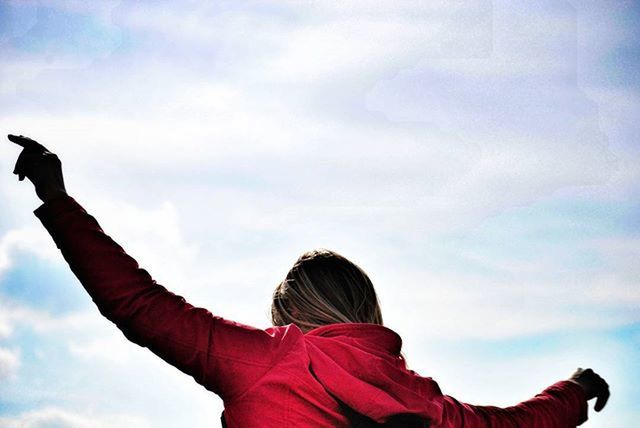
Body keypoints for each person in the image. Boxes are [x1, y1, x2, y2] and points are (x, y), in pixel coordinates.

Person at [7, 134, 610, 427]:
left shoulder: (264, 359)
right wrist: (577, 390)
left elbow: (136, 302)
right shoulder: (428, 403)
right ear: (368, 311)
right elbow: (516, 425)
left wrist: (58, 200)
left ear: (288, 315)